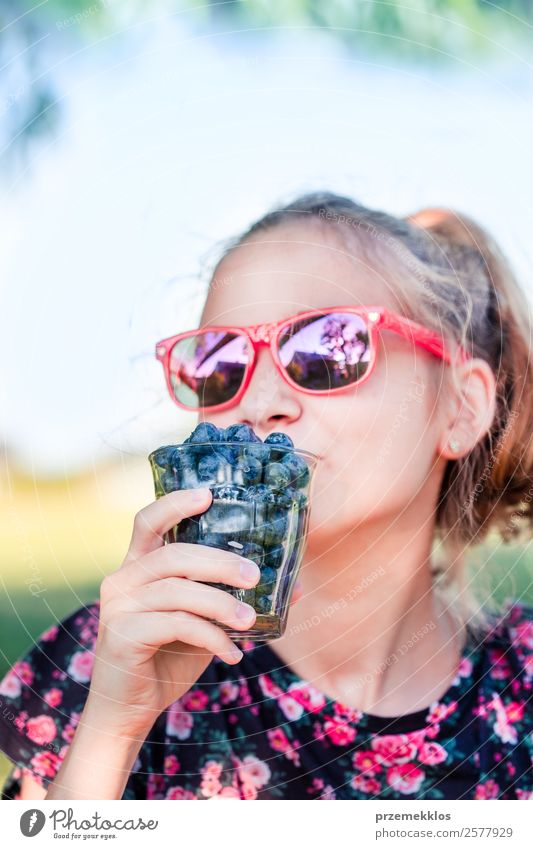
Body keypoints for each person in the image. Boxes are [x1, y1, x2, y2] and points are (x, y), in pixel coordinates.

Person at [1, 191, 532, 800]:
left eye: (324, 349)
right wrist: (111, 733)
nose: (257, 404)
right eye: (220, 365)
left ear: (461, 409)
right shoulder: (119, 654)